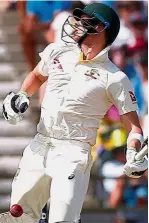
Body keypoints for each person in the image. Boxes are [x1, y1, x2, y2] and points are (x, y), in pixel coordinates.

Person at [1, 2, 148, 223]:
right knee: (17, 217)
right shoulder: (58, 50)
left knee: (62, 220)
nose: (78, 24)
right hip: (40, 144)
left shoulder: (115, 78)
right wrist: (22, 94)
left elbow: (134, 126)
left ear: (102, 29)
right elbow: (38, 75)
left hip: (73, 152)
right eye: (79, 19)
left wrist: (133, 151)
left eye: (86, 21)